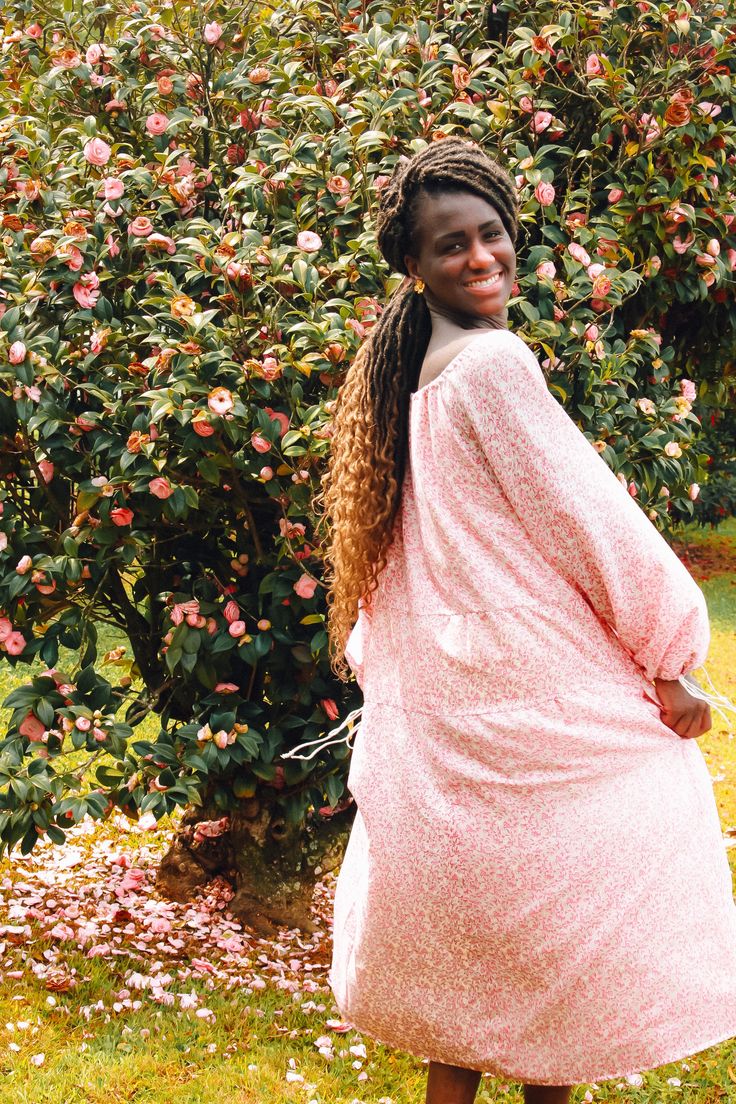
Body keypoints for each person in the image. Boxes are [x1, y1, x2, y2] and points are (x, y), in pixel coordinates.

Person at [299, 138, 736, 1102]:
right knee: (558, 962)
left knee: (470, 989)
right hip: (523, 705)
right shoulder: (489, 364)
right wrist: (669, 655)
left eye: (492, 234)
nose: (481, 256)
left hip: (457, 705)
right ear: (412, 268)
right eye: (451, 245)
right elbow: (589, 524)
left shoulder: (412, 372)